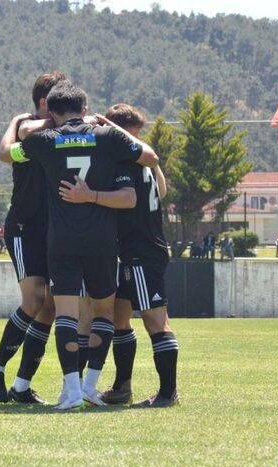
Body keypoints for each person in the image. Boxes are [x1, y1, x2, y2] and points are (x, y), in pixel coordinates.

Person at [0, 81, 159, 409]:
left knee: (67, 316)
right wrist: (110, 126)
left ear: (53, 113)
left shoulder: (44, 141)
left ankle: (70, 391)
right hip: (102, 242)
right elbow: (149, 156)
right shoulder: (108, 138)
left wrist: (15, 125)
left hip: (61, 241)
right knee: (103, 313)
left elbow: (8, 153)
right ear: (85, 109)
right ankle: (89, 386)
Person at [63, 104, 179, 408]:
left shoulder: (126, 159)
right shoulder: (144, 159)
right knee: (119, 318)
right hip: (132, 250)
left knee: (156, 320)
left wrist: (91, 196)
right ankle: (122, 387)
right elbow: (162, 191)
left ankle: (168, 393)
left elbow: (128, 199)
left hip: (142, 250)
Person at [0, 72, 66, 405]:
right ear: (45, 103)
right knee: (34, 300)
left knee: (50, 306)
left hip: (54, 230)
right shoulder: (29, 129)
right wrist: (18, 120)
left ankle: (21, 385)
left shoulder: (63, 128)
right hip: (24, 228)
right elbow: (8, 150)